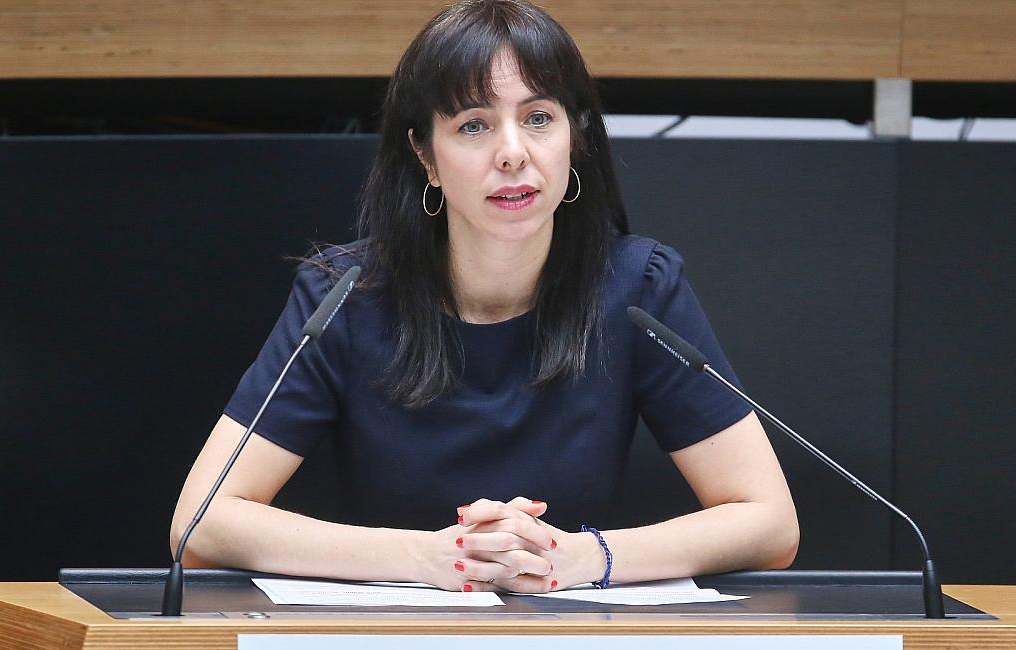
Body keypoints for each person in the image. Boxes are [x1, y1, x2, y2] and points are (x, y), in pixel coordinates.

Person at [170, 0, 798, 594]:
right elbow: (200, 523)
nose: (513, 153)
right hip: (389, 644)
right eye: (474, 125)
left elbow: (770, 522)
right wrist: (426, 559)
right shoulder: (345, 296)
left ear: (574, 138)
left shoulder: (637, 288)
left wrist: (580, 558)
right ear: (425, 155)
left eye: (539, 118)